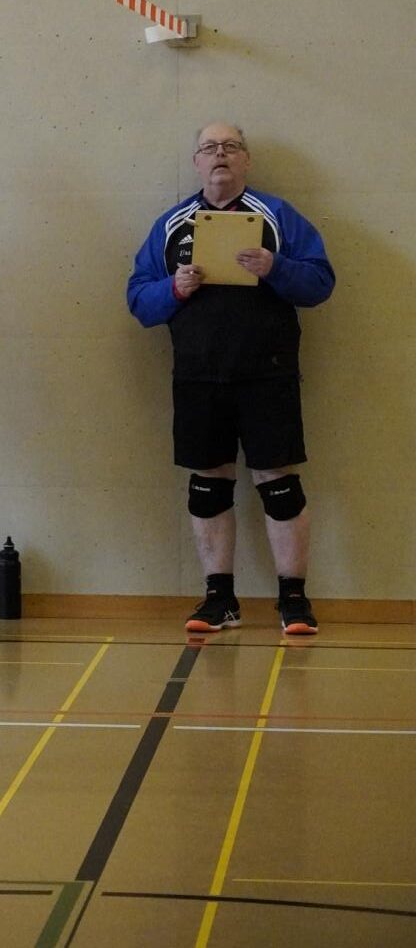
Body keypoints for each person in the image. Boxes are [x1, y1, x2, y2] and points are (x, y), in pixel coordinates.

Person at [127, 123, 335, 637]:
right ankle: (220, 599)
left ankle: (293, 600)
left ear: (246, 160)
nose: (219, 155)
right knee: (207, 487)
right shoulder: (172, 225)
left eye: (230, 147)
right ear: (196, 162)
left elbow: (320, 283)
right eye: (209, 148)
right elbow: (139, 300)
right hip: (198, 376)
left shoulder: (277, 216)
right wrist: (174, 289)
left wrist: (275, 266)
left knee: (279, 485)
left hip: (268, 372)